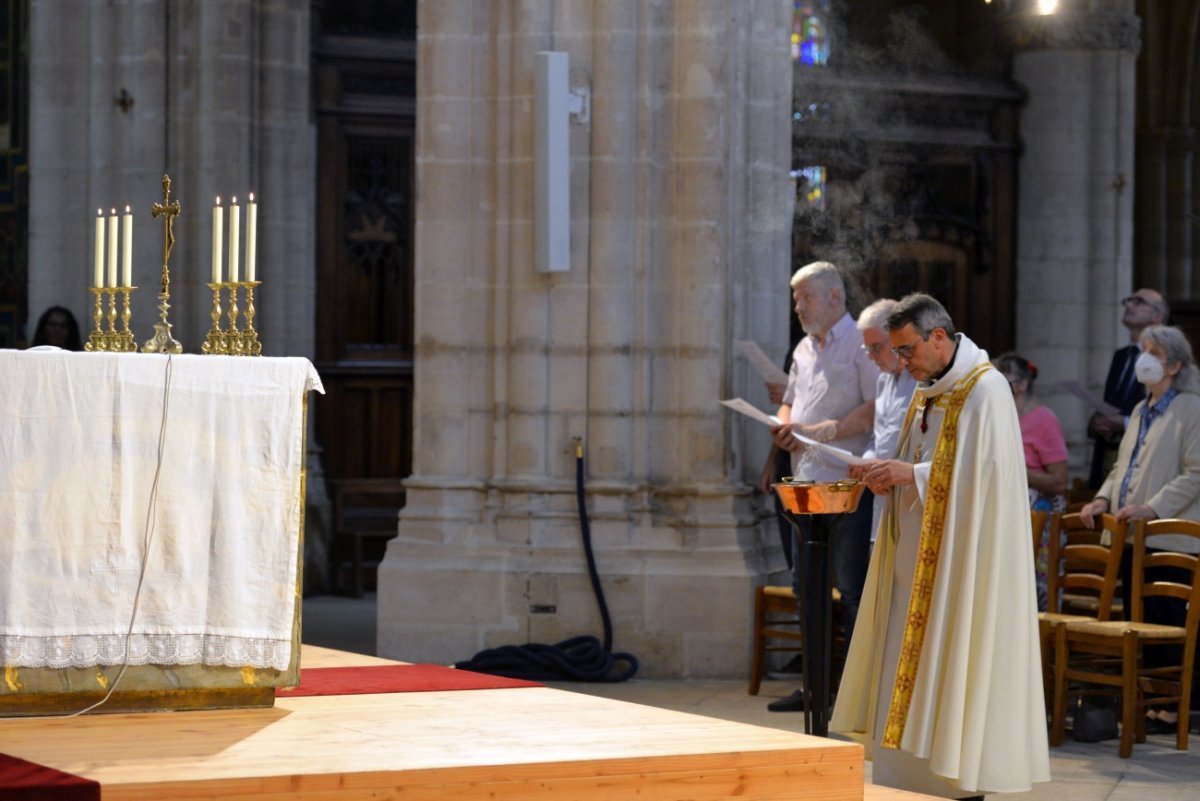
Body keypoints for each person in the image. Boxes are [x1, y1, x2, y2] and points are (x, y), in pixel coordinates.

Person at [833, 293, 1049, 798]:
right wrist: (887, 474)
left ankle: (952, 773)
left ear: (938, 336)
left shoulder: (986, 389)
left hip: (961, 562)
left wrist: (913, 473)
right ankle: (906, 775)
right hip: (915, 557)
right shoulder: (929, 390)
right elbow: (915, 460)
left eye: (907, 351)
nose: (902, 362)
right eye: (897, 352)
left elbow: (991, 480)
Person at [760, 260, 879, 712]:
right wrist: (784, 427)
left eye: (804, 297)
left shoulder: (860, 343)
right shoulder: (805, 350)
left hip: (845, 483)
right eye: (796, 298)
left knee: (849, 587)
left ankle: (848, 694)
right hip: (803, 482)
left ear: (834, 296)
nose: (798, 306)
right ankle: (814, 686)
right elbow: (789, 402)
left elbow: (876, 404)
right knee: (805, 585)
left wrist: (830, 429)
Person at [1078, 324, 1200, 734]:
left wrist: (1153, 507)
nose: (1143, 358)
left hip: (1169, 535)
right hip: (1130, 535)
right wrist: (1102, 499)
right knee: (1137, 616)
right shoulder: (1138, 410)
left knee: (1165, 622)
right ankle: (1146, 701)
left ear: (1175, 364)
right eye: (1142, 350)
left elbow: (1196, 473)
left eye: (1153, 352)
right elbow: (1121, 466)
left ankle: (1170, 706)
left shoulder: (1191, 408)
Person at [994, 352, 1068, 611]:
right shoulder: (1001, 416)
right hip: (1007, 518)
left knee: (1034, 597)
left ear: (1022, 384)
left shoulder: (1043, 419)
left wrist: (1018, 470)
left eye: (1004, 378)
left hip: (1039, 521)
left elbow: (1060, 481)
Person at [1088, 289, 1168, 487]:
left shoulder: (1165, 358)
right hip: (1110, 455)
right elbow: (1114, 400)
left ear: (1156, 316)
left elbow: (1166, 411)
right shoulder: (1122, 356)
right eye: (1128, 300)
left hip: (1143, 460)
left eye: (1139, 302)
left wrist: (1123, 422)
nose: (1129, 305)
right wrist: (1098, 422)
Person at [856, 299, 917, 544]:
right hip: (882, 497)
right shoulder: (883, 381)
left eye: (876, 348)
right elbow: (878, 437)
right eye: (867, 350)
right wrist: (865, 461)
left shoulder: (923, 380)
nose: (871, 357)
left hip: (912, 496)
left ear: (897, 337)